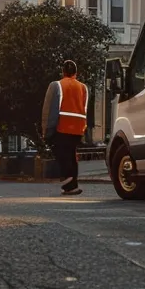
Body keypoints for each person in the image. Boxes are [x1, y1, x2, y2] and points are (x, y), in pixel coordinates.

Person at [40, 59, 88, 196]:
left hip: (62, 127)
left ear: (63, 72)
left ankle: (69, 182)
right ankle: (71, 185)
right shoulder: (83, 88)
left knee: (63, 155)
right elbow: (84, 109)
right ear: (76, 73)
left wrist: (47, 130)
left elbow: (50, 109)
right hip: (78, 128)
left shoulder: (57, 85)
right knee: (71, 155)